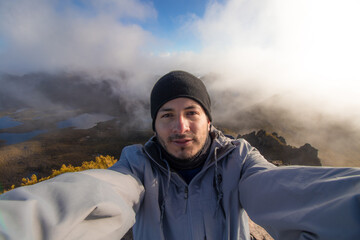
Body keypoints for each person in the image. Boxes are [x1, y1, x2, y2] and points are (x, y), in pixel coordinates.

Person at [0, 70, 360, 240]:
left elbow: (283, 188)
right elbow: (102, 191)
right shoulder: (136, 166)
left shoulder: (240, 160)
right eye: (167, 115)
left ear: (208, 119)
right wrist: (19, 222)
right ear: (154, 125)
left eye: (191, 112)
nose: (180, 127)